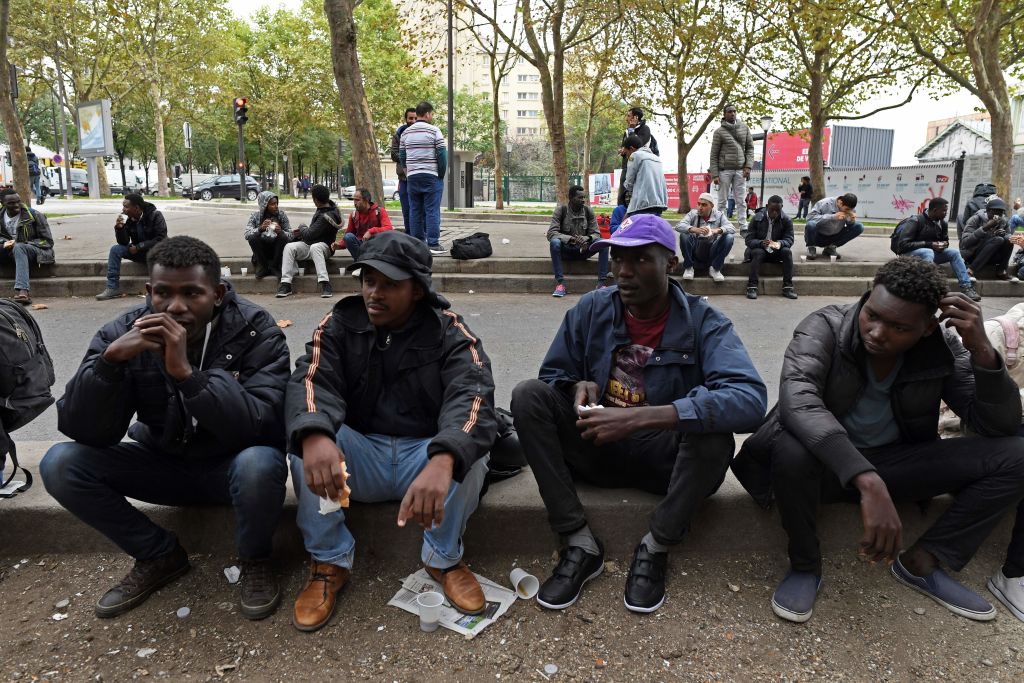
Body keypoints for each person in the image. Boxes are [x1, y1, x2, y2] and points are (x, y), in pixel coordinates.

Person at [731, 258, 1024, 625]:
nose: (877, 332)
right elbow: (799, 403)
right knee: (791, 445)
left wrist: (983, 352)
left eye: (899, 327)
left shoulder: (943, 347)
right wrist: (865, 478)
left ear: (927, 328)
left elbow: (999, 426)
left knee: (1017, 454)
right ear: (868, 295)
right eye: (873, 315)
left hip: (897, 465)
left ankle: (924, 561)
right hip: (822, 469)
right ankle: (805, 564)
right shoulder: (824, 326)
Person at [511, 213, 766, 614]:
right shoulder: (592, 308)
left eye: (641, 260)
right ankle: (577, 541)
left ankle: (656, 545)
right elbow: (553, 375)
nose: (624, 273)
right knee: (528, 396)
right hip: (595, 451)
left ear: (672, 263)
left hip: (663, 464)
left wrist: (643, 417)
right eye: (616, 260)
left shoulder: (706, 323)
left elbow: (749, 399)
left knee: (713, 434)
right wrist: (573, 385)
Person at [40, 236, 290, 621]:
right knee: (60, 464)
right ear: (148, 292)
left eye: (193, 293)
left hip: (232, 468)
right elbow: (85, 431)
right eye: (163, 294)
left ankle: (255, 560)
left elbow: (260, 425)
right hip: (163, 462)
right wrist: (108, 365)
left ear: (218, 293)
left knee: (260, 463)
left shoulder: (257, 331)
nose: (176, 307)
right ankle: (159, 555)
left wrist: (189, 377)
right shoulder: (122, 332)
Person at [286, 231, 497, 632]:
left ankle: (443, 558)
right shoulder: (339, 324)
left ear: (417, 290)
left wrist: (444, 458)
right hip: (360, 458)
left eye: (390, 285)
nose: (374, 294)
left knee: (472, 447)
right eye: (368, 281)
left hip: (425, 460)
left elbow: (474, 395)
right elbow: (310, 381)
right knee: (305, 439)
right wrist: (316, 436)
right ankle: (329, 560)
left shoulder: (450, 331)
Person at [895, 197, 980, 301]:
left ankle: (966, 287)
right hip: (909, 255)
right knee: (928, 251)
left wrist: (943, 245)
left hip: (929, 255)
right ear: (935, 210)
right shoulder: (916, 220)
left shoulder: (943, 223)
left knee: (954, 252)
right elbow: (902, 245)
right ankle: (928, 287)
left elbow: (946, 241)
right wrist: (930, 244)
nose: (946, 213)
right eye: (944, 210)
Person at [96, 193, 168, 301]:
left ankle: (159, 289)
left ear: (136, 208)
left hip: (156, 252)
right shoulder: (129, 219)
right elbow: (124, 242)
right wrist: (120, 229)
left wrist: (139, 246)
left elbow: (161, 239)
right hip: (138, 252)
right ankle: (112, 288)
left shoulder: (155, 215)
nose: (123, 209)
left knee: (157, 253)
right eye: (123, 206)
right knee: (115, 249)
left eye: (126, 207)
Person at [277, 184, 342, 299]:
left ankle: (325, 284)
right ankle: (286, 283)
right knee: (289, 247)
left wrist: (302, 226)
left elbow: (308, 235)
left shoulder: (326, 216)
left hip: (325, 248)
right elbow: (310, 237)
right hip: (311, 245)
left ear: (316, 200)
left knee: (315, 247)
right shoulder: (325, 208)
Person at [400, 101, 448, 256]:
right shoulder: (434, 131)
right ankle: (433, 243)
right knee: (432, 210)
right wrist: (440, 174)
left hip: (413, 177)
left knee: (415, 210)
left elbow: (402, 156)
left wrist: (409, 173)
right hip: (431, 175)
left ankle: (418, 244)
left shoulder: (405, 133)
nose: (432, 116)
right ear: (427, 114)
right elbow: (441, 154)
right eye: (431, 114)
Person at [547, 184, 609, 297]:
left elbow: (596, 233)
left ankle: (601, 283)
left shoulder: (588, 211)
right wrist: (570, 239)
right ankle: (560, 284)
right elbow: (551, 233)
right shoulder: (561, 210)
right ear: (571, 198)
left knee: (603, 244)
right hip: (566, 251)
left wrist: (587, 238)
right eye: (580, 198)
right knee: (554, 242)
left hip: (584, 250)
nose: (583, 200)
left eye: (584, 197)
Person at [0, 189, 54, 305]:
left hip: (34, 251)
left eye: (18, 202)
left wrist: (24, 243)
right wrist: (4, 243)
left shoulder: (34, 215)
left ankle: (23, 292)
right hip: (7, 252)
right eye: (11, 203)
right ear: (2, 203)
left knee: (19, 247)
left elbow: (48, 241)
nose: (16, 205)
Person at [745, 195, 797, 300]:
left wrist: (780, 244)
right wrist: (761, 243)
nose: (774, 213)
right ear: (767, 206)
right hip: (759, 250)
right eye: (772, 209)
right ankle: (752, 286)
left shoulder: (786, 220)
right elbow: (749, 240)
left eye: (777, 210)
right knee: (759, 253)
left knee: (787, 252)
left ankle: (788, 287)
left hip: (775, 251)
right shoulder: (757, 218)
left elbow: (789, 239)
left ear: (782, 207)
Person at [675, 192, 735, 282]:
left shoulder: (719, 215)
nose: (700, 207)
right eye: (698, 204)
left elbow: (732, 228)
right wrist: (694, 229)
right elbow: (679, 226)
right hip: (696, 250)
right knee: (684, 235)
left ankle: (715, 268)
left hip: (712, 251)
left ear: (711, 206)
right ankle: (688, 268)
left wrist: (717, 230)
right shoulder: (693, 214)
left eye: (704, 205)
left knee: (729, 237)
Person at [709, 105, 754, 224]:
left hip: (741, 170)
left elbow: (750, 148)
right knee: (722, 201)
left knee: (741, 201)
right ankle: (721, 225)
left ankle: (743, 225)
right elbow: (714, 155)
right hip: (724, 171)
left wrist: (748, 166)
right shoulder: (718, 132)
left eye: (734, 111)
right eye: (729, 112)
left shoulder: (745, 128)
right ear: (724, 114)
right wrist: (715, 174)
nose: (732, 113)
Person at [333, 187, 393, 262]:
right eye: (354, 200)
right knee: (348, 237)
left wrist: (371, 231)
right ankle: (361, 262)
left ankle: (362, 263)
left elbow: (389, 228)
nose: (354, 202)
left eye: (357, 200)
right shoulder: (353, 215)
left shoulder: (380, 211)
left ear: (366, 200)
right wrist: (340, 245)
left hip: (376, 245)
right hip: (361, 246)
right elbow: (349, 234)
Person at [961, 196, 1013, 280]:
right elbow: (965, 243)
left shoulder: (1003, 222)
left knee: (1008, 239)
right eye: (995, 212)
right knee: (998, 239)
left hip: (993, 256)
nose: (998, 216)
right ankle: (970, 270)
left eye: (1000, 213)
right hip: (974, 255)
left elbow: (1008, 239)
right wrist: (985, 228)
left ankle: (1001, 270)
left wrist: (1005, 234)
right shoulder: (975, 219)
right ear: (988, 211)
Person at [244, 191, 292, 279]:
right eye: (273, 204)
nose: (276, 206)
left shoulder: (281, 215)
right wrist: (260, 228)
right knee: (253, 238)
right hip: (261, 251)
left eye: (276, 203)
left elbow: (291, 235)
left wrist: (281, 231)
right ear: (265, 205)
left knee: (283, 237)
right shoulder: (255, 216)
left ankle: (274, 266)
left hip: (277, 250)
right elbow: (247, 235)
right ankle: (264, 267)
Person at [617, 107, 658, 207]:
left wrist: (632, 129)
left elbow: (637, 144)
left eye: (628, 116)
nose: (626, 119)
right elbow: (626, 145)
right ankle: (621, 214)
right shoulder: (627, 131)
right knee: (623, 192)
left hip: (640, 166)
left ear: (636, 117)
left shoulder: (645, 129)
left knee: (636, 192)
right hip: (627, 165)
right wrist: (623, 150)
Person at [804, 193, 863, 260]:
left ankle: (830, 248)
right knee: (811, 224)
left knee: (859, 227)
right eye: (847, 209)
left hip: (834, 236)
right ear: (840, 202)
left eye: (851, 210)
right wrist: (832, 217)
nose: (848, 211)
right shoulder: (825, 203)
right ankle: (811, 248)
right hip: (818, 236)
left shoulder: (849, 208)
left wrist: (851, 220)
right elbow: (809, 218)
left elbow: (850, 226)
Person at [621, 134, 668, 217]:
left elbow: (629, 183)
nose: (627, 156)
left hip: (642, 204)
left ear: (631, 149)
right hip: (659, 204)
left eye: (626, 153)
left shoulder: (635, 155)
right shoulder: (656, 158)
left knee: (626, 227)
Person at [391, 107, 418, 229]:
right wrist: (408, 156)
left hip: (418, 178)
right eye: (410, 118)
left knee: (418, 210)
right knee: (406, 210)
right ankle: (409, 235)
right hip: (404, 179)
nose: (413, 121)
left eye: (415, 118)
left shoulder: (422, 133)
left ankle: (421, 238)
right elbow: (393, 154)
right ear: (406, 119)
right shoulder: (398, 135)